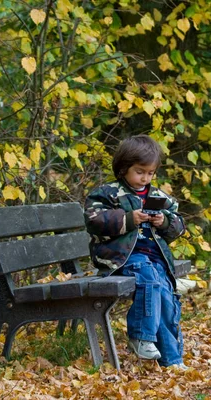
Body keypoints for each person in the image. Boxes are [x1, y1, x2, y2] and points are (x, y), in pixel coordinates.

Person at [84, 134, 188, 370]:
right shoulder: (107, 193)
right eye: (140, 171)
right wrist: (128, 219)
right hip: (120, 258)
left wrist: (164, 221)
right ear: (123, 169)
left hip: (155, 258)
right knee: (149, 280)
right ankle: (140, 337)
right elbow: (94, 220)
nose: (145, 177)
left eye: (150, 173)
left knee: (167, 297)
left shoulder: (158, 197)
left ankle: (172, 359)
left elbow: (179, 226)